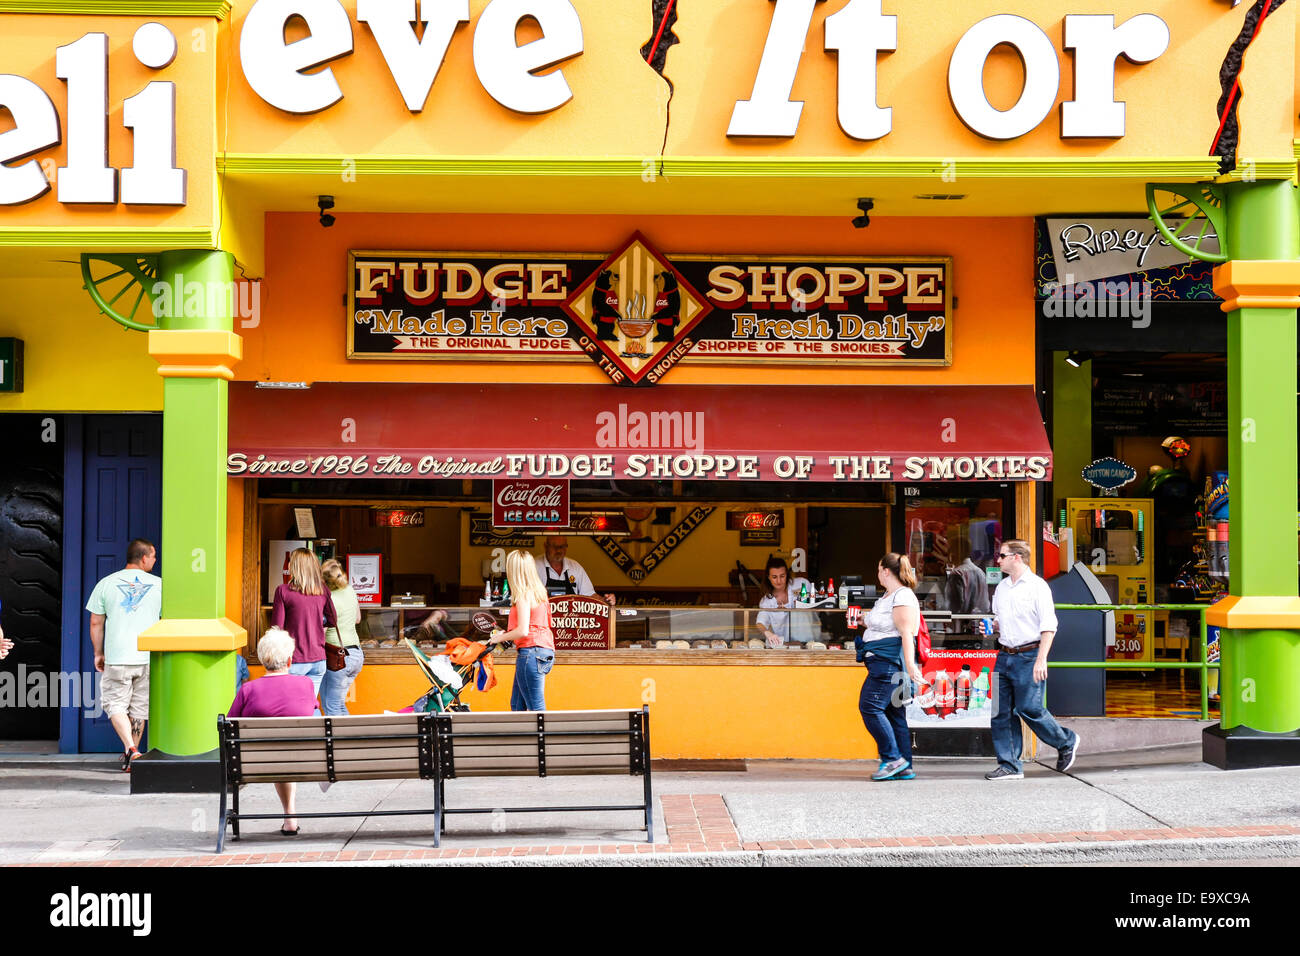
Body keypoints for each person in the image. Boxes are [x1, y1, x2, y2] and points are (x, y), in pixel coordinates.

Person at [985, 539, 1080, 781]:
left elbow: (1049, 625)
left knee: (1029, 707)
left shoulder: (1038, 587)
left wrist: (1042, 659)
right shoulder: (1002, 588)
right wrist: (993, 626)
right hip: (1004, 653)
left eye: (1002, 555)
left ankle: (1066, 741)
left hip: (1029, 654)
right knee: (999, 711)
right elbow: (1000, 620)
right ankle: (1009, 765)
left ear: (1017, 557)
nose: (998, 560)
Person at [227, 627, 318, 836]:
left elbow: (230, 727)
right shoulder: (306, 684)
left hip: (259, 762)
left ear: (262, 660)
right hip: (305, 759)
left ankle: (290, 816)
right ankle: (290, 816)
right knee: (287, 748)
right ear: (289, 661)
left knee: (277, 750)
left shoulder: (249, 690)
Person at [85, 538, 160, 772]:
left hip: (117, 656)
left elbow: (96, 622)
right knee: (139, 707)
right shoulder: (160, 585)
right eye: (154, 556)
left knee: (115, 704)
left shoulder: (106, 583)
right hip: (147, 657)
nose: (155, 560)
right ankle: (132, 755)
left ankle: (130, 749)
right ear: (144, 558)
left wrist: (98, 653)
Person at [858, 553, 926, 781]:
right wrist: (863, 621)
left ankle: (893, 758)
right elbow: (884, 624)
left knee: (870, 707)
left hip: (888, 664)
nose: (877, 573)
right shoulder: (888, 596)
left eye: (879, 569)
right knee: (894, 713)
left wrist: (910, 665)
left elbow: (906, 632)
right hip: (882, 661)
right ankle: (904, 765)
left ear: (886, 571)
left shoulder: (903, 596)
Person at [490, 549, 555, 711]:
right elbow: (535, 624)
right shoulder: (539, 593)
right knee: (517, 705)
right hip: (544, 651)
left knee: (536, 708)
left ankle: (544, 737)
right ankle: (521, 736)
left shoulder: (523, 595)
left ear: (514, 571)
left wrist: (498, 638)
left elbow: (523, 631)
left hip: (530, 653)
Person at [271, 548, 337, 704]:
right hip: (319, 660)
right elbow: (332, 620)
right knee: (309, 705)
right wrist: (316, 622)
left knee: (292, 707)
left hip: (294, 660)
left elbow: (277, 629)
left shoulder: (283, 591)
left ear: (295, 567)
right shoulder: (322, 591)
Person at [319, 558, 364, 716]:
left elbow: (321, 632)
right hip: (356, 655)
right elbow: (358, 618)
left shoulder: (328, 599)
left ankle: (338, 740)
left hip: (338, 659)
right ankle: (348, 738)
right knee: (338, 704)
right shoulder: (350, 590)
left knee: (331, 706)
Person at [753, 556, 817, 646]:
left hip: (809, 641)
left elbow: (818, 602)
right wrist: (767, 633)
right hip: (784, 644)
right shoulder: (766, 601)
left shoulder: (802, 584)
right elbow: (760, 622)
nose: (779, 581)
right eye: (774, 577)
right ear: (768, 577)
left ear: (787, 574)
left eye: (782, 576)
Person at [535, 536, 615, 603]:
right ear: (545, 546)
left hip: (572, 619)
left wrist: (605, 600)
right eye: (554, 546)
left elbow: (589, 594)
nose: (558, 550)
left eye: (562, 546)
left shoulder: (575, 567)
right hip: (545, 619)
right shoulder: (534, 566)